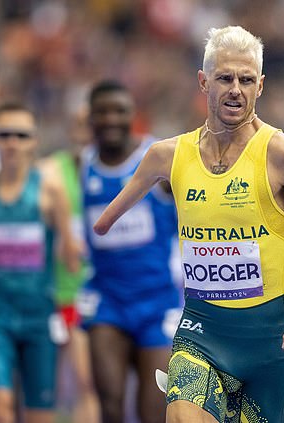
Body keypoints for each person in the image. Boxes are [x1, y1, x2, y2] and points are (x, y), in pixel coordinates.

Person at [93, 26, 284, 423]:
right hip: (201, 333)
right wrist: (104, 225)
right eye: (225, 78)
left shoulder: (283, 154)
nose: (236, 89)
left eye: (246, 79)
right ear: (204, 82)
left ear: (261, 86)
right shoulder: (168, 156)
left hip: (267, 347)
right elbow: (103, 222)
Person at [80, 80, 182, 423]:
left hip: (157, 304)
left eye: (119, 111)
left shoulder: (158, 161)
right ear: (89, 118)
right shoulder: (80, 167)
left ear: (132, 116)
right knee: (109, 406)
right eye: (102, 111)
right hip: (107, 303)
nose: (111, 119)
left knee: (153, 413)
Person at [0, 102, 80, 423]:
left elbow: (71, 257)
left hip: (38, 315)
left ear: (33, 141)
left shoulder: (50, 193)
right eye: (4, 134)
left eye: (21, 135)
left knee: (40, 415)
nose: (12, 143)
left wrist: (71, 295)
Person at [40, 107, 100, 423]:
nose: (84, 133)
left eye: (91, 126)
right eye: (78, 126)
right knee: (46, 390)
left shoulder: (116, 172)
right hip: (55, 293)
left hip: (91, 296)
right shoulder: (51, 170)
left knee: (86, 383)